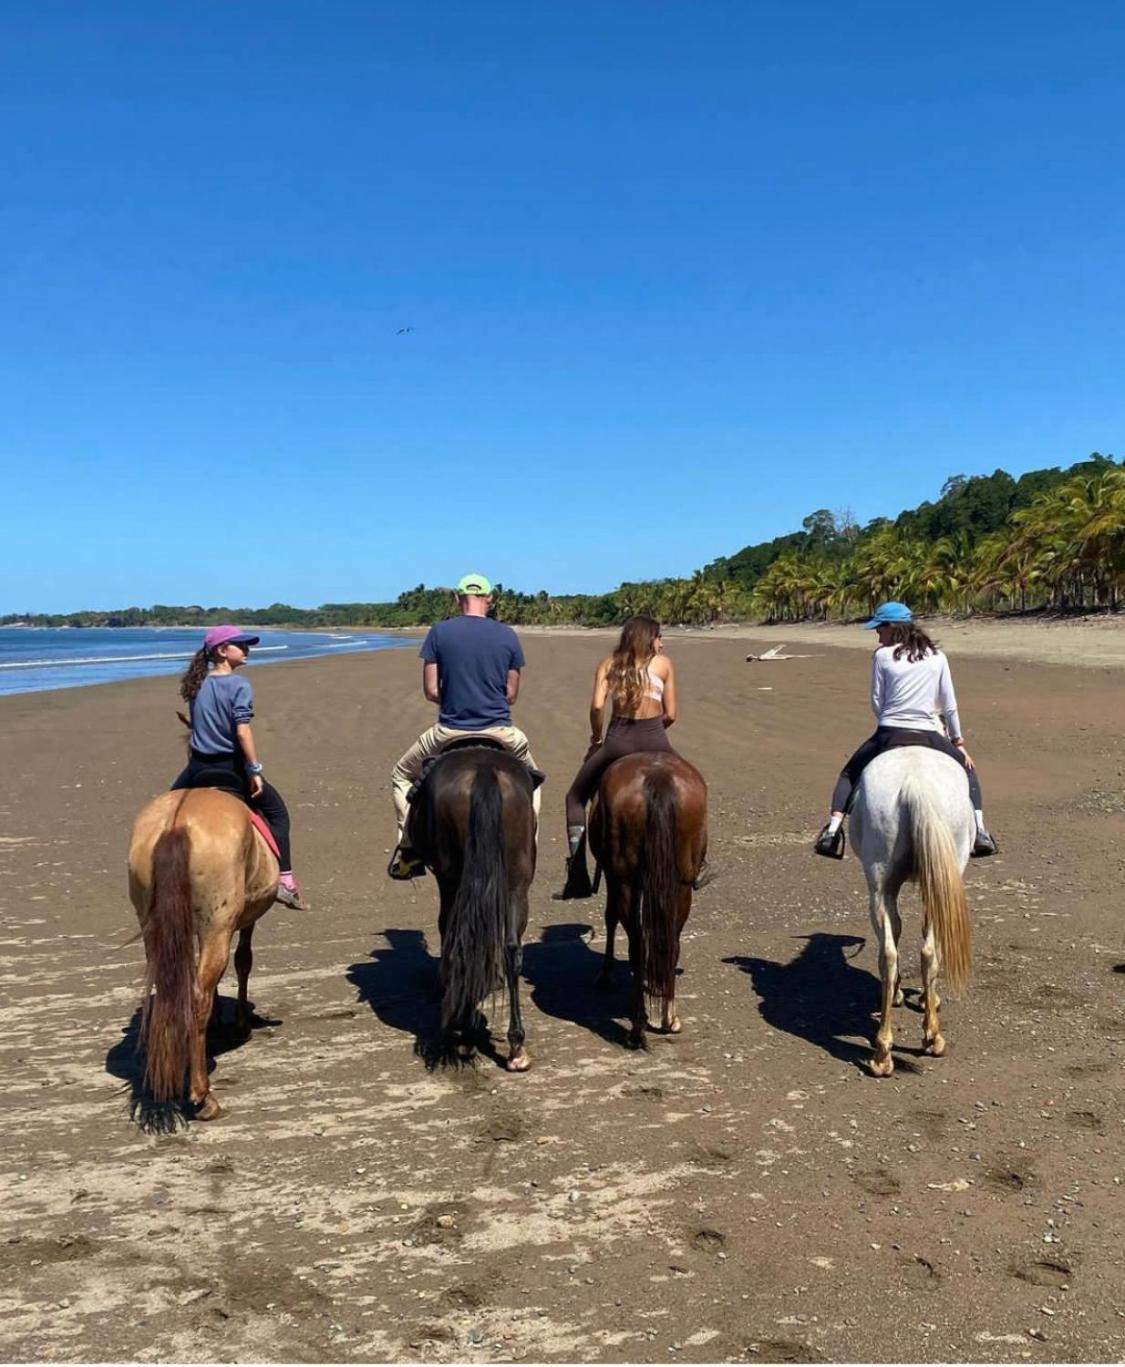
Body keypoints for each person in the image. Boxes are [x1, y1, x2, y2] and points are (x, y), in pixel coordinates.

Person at [813, 601, 998, 860]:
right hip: (929, 733)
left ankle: (832, 833)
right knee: (967, 771)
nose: (878, 634)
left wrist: (890, 718)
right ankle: (979, 832)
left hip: (889, 732)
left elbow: (877, 702)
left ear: (892, 627)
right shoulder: (938, 657)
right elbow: (950, 706)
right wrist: (957, 741)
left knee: (848, 774)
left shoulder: (881, 656)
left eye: (880, 628)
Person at [388, 573, 540, 880]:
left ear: (458, 599)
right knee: (534, 782)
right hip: (501, 732)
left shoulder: (439, 632)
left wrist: (456, 697)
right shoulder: (508, 636)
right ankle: (527, 843)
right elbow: (511, 695)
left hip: (450, 731)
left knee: (401, 775)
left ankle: (408, 848)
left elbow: (431, 691)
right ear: (490, 599)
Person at [172, 624, 308, 909]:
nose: (246, 650)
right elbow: (242, 731)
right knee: (277, 814)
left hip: (197, 768)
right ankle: (285, 880)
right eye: (240, 645)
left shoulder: (196, 684)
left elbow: (198, 726)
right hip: (229, 768)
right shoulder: (239, 684)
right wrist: (254, 769)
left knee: (169, 815)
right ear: (222, 651)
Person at [556, 615, 677, 898]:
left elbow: (598, 707)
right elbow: (671, 714)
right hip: (655, 739)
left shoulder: (609, 664)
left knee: (575, 797)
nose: (662, 642)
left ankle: (577, 875)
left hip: (618, 742)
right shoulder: (664, 665)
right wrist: (654, 731)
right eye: (659, 637)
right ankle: (692, 864)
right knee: (695, 785)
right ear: (649, 638)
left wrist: (597, 739)